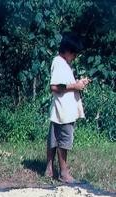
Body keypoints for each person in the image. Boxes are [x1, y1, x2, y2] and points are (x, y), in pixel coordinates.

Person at [45, 33, 90, 184]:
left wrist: (77, 83)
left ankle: (49, 169)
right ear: (68, 51)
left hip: (61, 110)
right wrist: (76, 86)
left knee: (54, 139)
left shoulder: (62, 63)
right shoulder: (59, 62)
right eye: (74, 54)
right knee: (63, 142)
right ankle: (63, 173)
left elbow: (63, 84)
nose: (75, 57)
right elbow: (54, 87)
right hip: (64, 112)